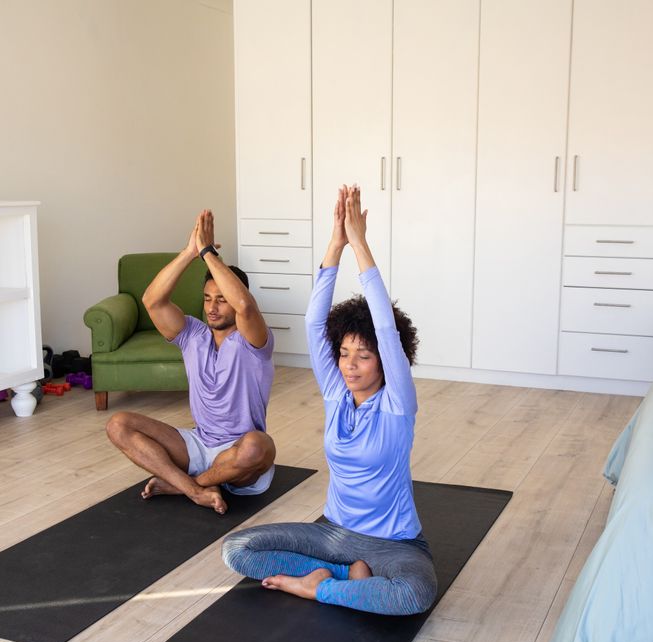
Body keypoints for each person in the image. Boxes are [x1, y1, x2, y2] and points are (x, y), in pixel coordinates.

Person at [221, 185, 437, 615]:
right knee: (237, 549)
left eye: (364, 355)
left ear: (384, 362)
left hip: (394, 544)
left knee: (413, 594)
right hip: (334, 535)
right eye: (343, 353)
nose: (350, 365)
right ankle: (346, 577)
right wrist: (334, 245)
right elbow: (313, 321)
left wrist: (360, 243)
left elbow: (386, 329)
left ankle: (316, 587)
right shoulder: (337, 395)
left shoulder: (398, 403)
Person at [106, 209, 276, 514]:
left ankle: (182, 483)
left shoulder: (253, 341)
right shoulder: (192, 335)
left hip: (237, 453)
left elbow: (245, 306)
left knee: (258, 446)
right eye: (208, 298)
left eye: (221, 299)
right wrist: (189, 253)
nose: (212, 307)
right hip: (197, 445)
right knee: (118, 425)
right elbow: (152, 301)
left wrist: (209, 253)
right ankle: (194, 489)